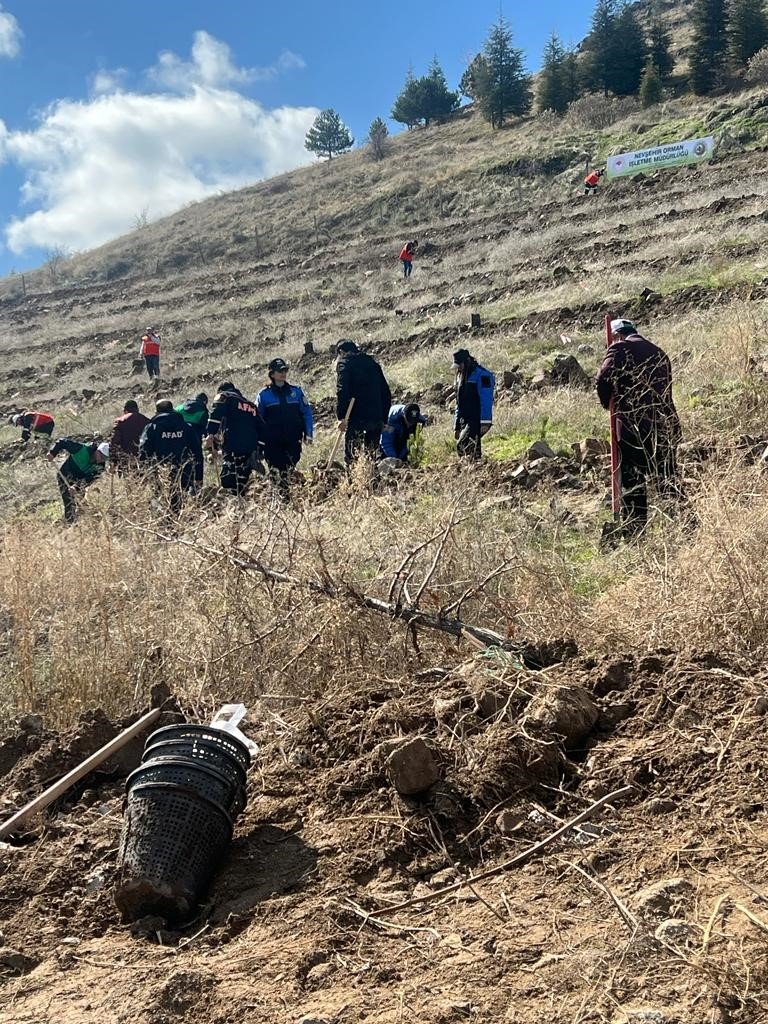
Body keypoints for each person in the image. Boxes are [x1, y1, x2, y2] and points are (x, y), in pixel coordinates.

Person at [596, 318, 682, 538]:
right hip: (665, 427)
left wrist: (608, 402)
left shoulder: (620, 348)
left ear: (616, 336)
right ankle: (685, 528)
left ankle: (636, 533)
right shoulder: (659, 352)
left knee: (633, 483)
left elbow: (603, 379)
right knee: (668, 480)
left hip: (634, 429)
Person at [255, 358, 313, 497]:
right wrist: (258, 442)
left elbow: (307, 413)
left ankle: (286, 496)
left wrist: (309, 433)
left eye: (285, 370)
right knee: (276, 471)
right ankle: (282, 499)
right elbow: (257, 419)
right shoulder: (264, 395)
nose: (283, 373)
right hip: (272, 443)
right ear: (272, 374)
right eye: (279, 371)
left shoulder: (296, 392)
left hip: (293, 439)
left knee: (289, 467)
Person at [138, 399, 202, 513]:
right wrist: (199, 476)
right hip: (184, 473)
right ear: (172, 410)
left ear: (157, 412)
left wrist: (143, 474)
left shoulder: (152, 428)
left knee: (161, 505)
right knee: (181, 504)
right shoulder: (187, 427)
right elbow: (197, 452)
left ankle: (165, 522)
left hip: (160, 474)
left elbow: (143, 452)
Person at [335, 340, 392, 464]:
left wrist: (341, 417)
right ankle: (369, 475)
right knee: (370, 456)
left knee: (352, 456)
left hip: (356, 416)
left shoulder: (344, 362)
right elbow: (386, 392)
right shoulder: (372, 363)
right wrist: (383, 418)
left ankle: (354, 475)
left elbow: (342, 391)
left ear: (341, 351)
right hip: (376, 415)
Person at [205, 381, 263, 495]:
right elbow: (261, 426)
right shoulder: (251, 405)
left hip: (233, 443)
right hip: (250, 446)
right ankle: (243, 498)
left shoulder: (224, 396)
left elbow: (216, 414)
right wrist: (260, 447)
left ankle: (234, 500)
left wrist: (210, 433)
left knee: (229, 478)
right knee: (243, 477)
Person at [47, 438, 109, 523]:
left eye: (105, 458)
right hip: (64, 476)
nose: (102, 459)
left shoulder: (100, 468)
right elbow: (62, 442)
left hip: (78, 481)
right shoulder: (81, 449)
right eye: (101, 456)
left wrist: (76, 487)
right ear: (97, 451)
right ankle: (70, 523)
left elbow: (89, 479)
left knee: (80, 502)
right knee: (69, 502)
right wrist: (52, 452)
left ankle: (82, 521)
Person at [453, 349, 495, 460]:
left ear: (467, 361)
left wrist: (485, 422)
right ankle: (476, 466)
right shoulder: (460, 377)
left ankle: (472, 466)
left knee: (463, 445)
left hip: (477, 419)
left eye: (460, 365)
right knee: (472, 448)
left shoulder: (482, 375)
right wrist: (457, 426)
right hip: (465, 420)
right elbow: (459, 403)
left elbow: (486, 400)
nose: (458, 368)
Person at [175, 393, 209, 490]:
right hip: (195, 440)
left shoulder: (179, 407)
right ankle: (198, 483)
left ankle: (180, 484)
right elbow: (205, 429)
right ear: (205, 402)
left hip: (178, 439)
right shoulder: (203, 410)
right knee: (198, 459)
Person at [110, 400, 150, 474]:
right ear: (137, 409)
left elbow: (114, 442)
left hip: (126, 458)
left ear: (125, 410)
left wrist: (113, 461)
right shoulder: (146, 420)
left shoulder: (120, 421)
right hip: (143, 458)